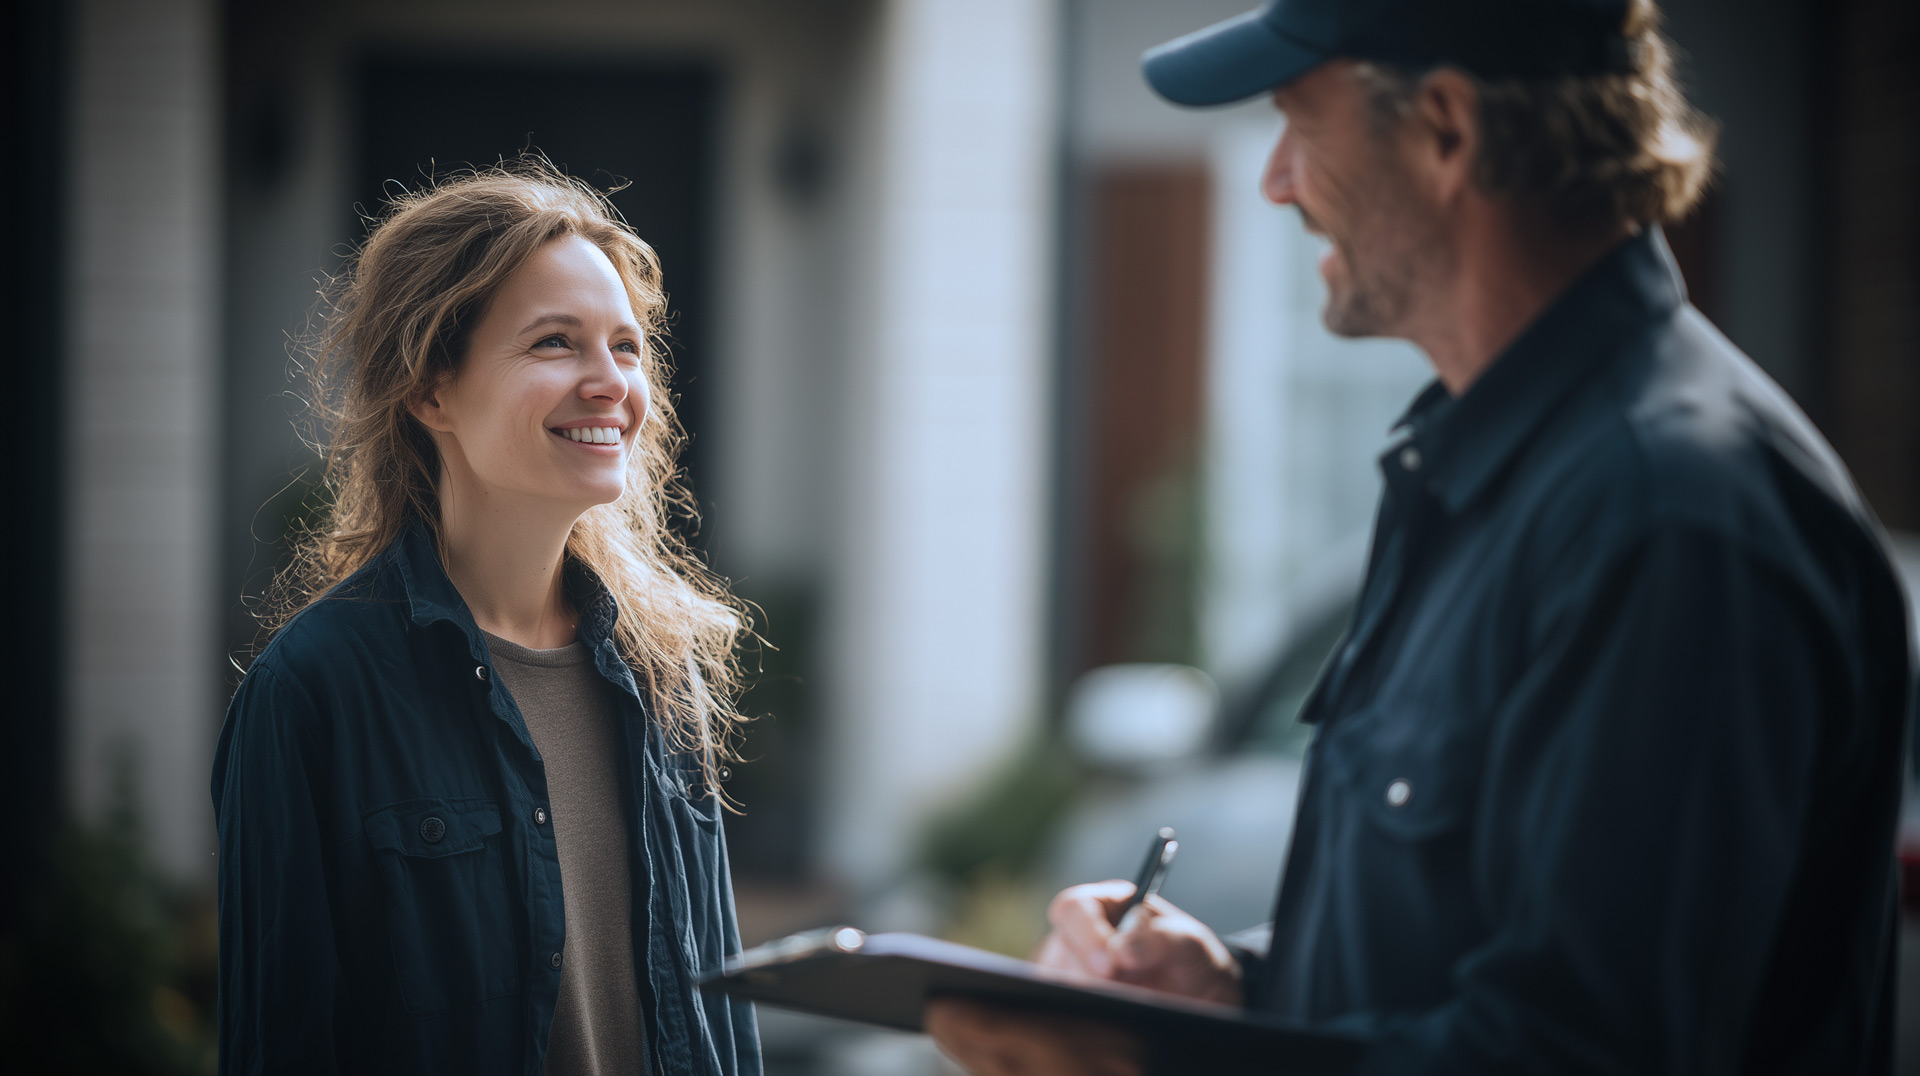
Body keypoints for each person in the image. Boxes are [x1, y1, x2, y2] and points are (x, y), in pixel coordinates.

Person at [929, 1, 1913, 1073]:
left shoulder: (1670, 514)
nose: (1277, 180)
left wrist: (1158, 1062)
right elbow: (1451, 964)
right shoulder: (1486, 471)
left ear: (1446, 128)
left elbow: (1581, 1049)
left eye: (1299, 123)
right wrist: (1231, 992)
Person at [212, 164, 761, 1075]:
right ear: (432, 393)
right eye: (556, 343)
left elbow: (722, 1021)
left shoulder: (664, 670)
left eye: (625, 348)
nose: (610, 384)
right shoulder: (312, 694)